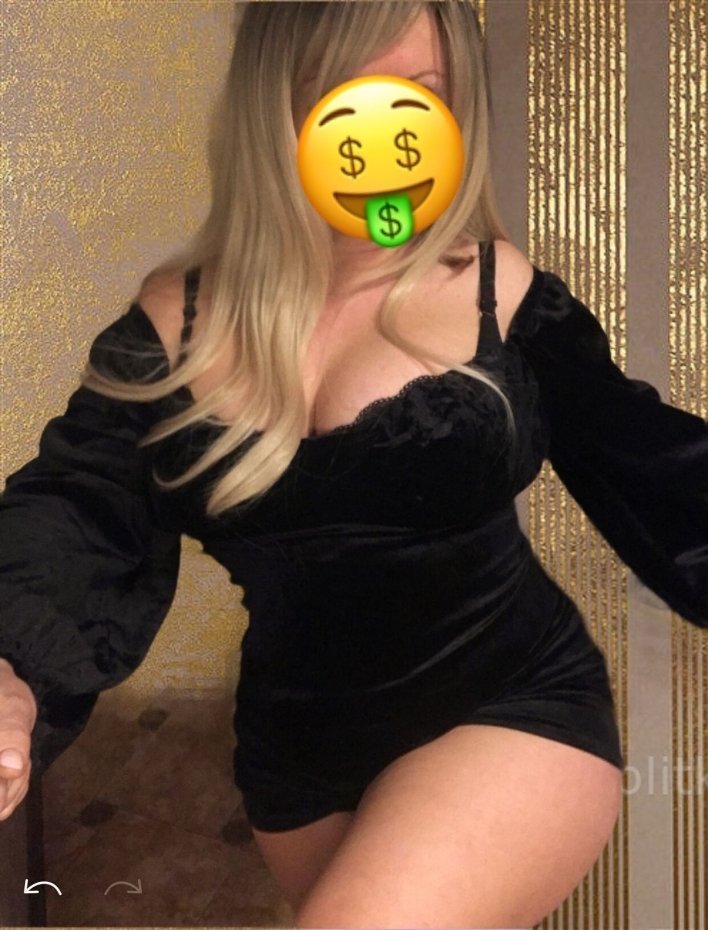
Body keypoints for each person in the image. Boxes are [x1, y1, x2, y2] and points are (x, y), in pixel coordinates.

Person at [1, 2, 706, 927]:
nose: (379, 132)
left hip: (510, 711)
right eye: (340, 90)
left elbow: (654, 464)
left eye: (418, 93)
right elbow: (79, 511)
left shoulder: (496, 291)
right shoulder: (171, 322)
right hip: (298, 763)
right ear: (275, 104)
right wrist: (10, 667)